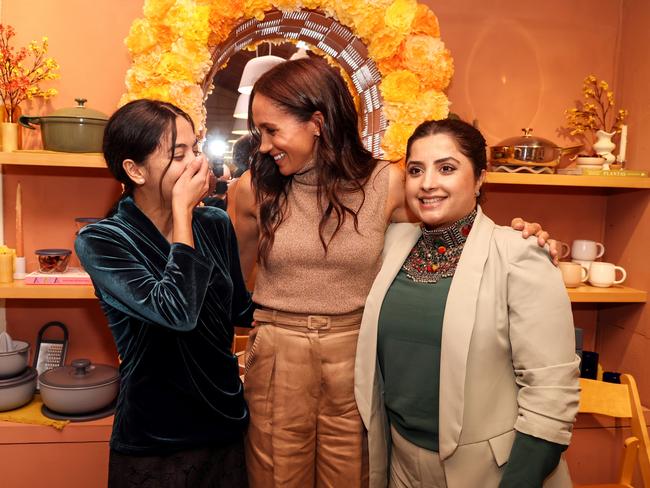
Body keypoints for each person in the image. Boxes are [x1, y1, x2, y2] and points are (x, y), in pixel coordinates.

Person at [233, 57, 555, 488]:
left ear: (316, 122)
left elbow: (451, 234)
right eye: (260, 132)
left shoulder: (387, 183)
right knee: (274, 478)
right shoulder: (252, 189)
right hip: (277, 353)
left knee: (353, 477)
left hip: (357, 357)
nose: (264, 144)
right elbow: (234, 286)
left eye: (272, 130)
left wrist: (523, 237)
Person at [354, 118, 580, 488]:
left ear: (479, 179)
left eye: (446, 168)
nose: (428, 183)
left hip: (491, 471)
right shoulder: (391, 242)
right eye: (415, 170)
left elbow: (551, 395)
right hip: (399, 464)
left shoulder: (520, 253)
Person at [75, 99, 253, 487]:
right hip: (156, 435)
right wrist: (183, 216)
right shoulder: (103, 240)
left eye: (196, 149)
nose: (195, 162)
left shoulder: (215, 223)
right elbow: (176, 311)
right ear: (134, 170)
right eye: (178, 154)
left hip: (223, 422)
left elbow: (242, 311)